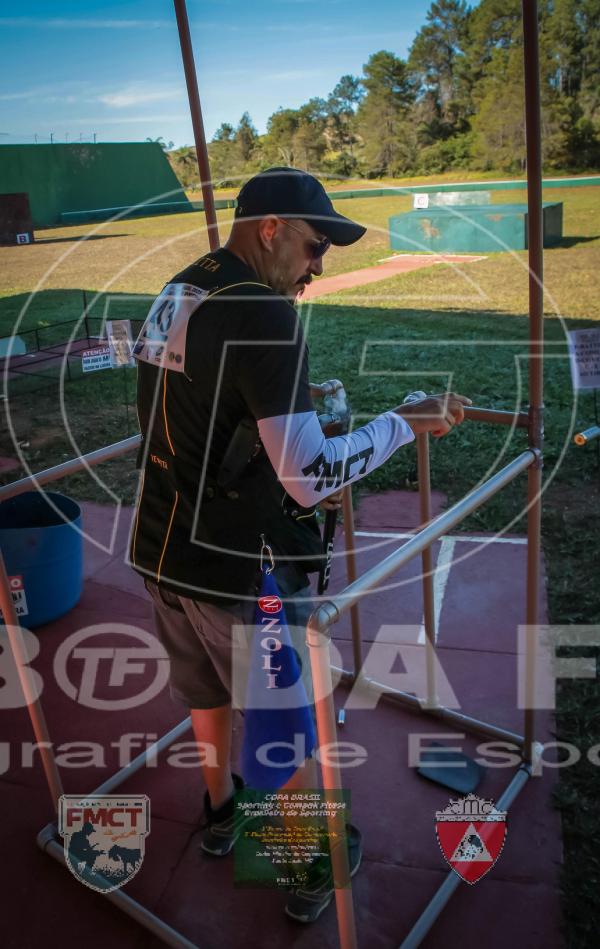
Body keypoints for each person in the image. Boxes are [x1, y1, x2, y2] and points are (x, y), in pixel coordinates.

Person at [129, 166, 470, 922]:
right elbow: (311, 476)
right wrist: (404, 422)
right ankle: (307, 865)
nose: (319, 267)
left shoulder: (178, 287)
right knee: (281, 729)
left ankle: (221, 811)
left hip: (159, 547)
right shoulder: (268, 316)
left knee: (205, 693)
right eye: (316, 246)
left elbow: (192, 410)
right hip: (240, 570)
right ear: (271, 229)